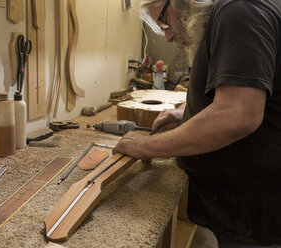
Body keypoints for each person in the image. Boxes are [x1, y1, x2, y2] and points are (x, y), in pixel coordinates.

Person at [112, 0, 281, 247]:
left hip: (260, 216)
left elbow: (238, 114)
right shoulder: (232, 13)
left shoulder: (240, 10)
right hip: (250, 209)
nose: (167, 37)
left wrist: (148, 146)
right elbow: (242, 92)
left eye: (164, 21)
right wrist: (186, 112)